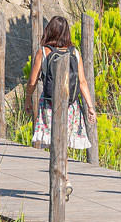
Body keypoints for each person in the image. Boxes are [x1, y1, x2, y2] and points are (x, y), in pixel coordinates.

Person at [25, 15, 96, 196]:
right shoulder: (75, 52)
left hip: (49, 104)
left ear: (49, 30)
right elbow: (82, 82)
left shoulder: (44, 51)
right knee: (61, 144)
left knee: (55, 145)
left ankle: (60, 179)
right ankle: (65, 178)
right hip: (70, 106)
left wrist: (27, 100)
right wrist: (90, 107)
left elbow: (32, 81)